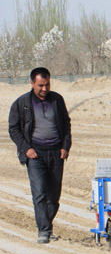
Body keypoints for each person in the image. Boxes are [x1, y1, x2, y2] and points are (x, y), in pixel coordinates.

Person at [8, 67, 72, 244]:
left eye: (47, 84)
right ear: (32, 83)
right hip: (35, 155)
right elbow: (13, 129)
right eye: (40, 85)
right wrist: (26, 149)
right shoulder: (21, 103)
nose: (45, 89)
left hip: (56, 154)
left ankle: (47, 224)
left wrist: (65, 147)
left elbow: (66, 124)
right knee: (40, 193)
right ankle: (44, 230)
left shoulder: (57, 100)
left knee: (54, 196)